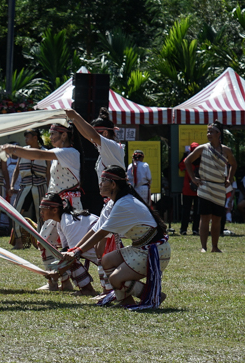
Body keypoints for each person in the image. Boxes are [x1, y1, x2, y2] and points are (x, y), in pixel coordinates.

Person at [60, 165, 170, 309]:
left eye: (103, 180)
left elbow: (102, 233)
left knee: (115, 279)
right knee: (107, 260)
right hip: (142, 247)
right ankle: (126, 301)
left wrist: (77, 252)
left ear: (113, 184)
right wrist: (75, 249)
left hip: (154, 251)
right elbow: (95, 229)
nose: (100, 184)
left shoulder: (124, 203)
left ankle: (152, 295)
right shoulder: (113, 203)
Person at [1, 122, 83, 253]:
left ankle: (67, 270)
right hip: (58, 204)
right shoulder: (58, 154)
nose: (50, 137)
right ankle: (56, 269)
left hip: (69, 204)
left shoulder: (70, 152)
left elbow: (39, 155)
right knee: (44, 242)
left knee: (70, 244)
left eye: (53, 134)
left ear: (64, 135)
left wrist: (13, 149)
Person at [183, 121, 237, 253]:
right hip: (205, 186)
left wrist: (230, 178)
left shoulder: (226, 150)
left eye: (211, 131)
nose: (209, 134)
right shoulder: (203, 148)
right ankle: (203, 247)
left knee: (217, 218)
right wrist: (193, 178)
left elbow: (233, 165)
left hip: (219, 187)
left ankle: (215, 246)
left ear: (218, 133)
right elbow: (187, 161)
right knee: (205, 217)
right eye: (208, 131)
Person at [38, 192, 98, 296]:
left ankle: (89, 289)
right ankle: (88, 288)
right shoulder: (62, 222)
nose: (41, 212)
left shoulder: (68, 222)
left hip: (105, 247)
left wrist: (58, 272)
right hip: (99, 246)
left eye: (44, 209)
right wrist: (57, 267)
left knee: (69, 260)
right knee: (65, 257)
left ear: (55, 210)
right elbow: (66, 249)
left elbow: (72, 255)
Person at [10, 129, 50, 244]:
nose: (26, 140)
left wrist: (49, 190)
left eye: (28, 137)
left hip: (40, 185)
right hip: (25, 184)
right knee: (16, 210)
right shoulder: (23, 151)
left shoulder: (45, 152)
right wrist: (12, 185)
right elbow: (17, 169)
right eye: (25, 137)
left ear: (35, 137)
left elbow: (48, 173)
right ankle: (18, 239)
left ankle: (41, 241)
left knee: (42, 213)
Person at [178, 143, 201, 235]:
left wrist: (185, 155)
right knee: (197, 211)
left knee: (186, 210)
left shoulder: (186, 160)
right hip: (199, 189)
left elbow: (180, 166)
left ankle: (183, 229)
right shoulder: (202, 160)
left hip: (187, 189)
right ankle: (195, 229)